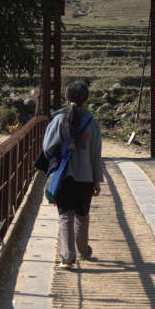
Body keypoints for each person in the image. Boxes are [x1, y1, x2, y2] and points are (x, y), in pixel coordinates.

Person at [42, 80, 103, 269]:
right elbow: (96, 155)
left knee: (65, 214)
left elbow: (47, 148)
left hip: (65, 176)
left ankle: (67, 256)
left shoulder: (59, 120)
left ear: (66, 98)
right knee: (82, 215)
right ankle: (83, 251)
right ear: (86, 100)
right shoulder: (92, 123)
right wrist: (96, 180)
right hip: (86, 177)